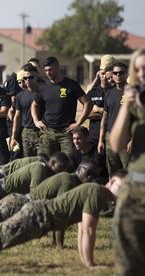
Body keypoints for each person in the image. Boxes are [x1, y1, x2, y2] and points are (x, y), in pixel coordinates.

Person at [0, 170, 126, 269]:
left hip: (39, 214)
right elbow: (89, 230)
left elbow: (84, 229)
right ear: (113, 181)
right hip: (39, 216)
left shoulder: (96, 193)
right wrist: (91, 264)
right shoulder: (98, 193)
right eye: (125, 188)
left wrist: (87, 262)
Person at [110, 48, 145, 275]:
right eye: (138, 69)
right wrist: (126, 105)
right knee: (128, 265)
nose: (142, 74)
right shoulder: (133, 103)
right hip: (135, 190)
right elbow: (116, 143)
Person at [31, 57, 92, 160]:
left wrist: (78, 123)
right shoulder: (43, 87)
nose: (48, 73)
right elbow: (34, 105)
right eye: (46, 70)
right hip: (48, 132)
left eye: (50, 69)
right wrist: (36, 121)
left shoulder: (71, 84)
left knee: (68, 163)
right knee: (47, 163)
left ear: (58, 68)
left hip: (66, 132)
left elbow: (87, 103)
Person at [98, 62, 130, 176]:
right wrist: (101, 140)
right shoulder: (109, 93)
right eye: (115, 73)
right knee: (113, 172)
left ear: (127, 74)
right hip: (110, 137)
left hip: (127, 138)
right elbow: (105, 118)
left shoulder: (134, 92)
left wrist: (133, 140)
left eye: (121, 73)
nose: (118, 75)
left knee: (129, 171)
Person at [11, 64, 42, 157]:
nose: (27, 80)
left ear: (37, 76)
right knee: (28, 162)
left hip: (41, 132)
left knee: (43, 161)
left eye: (31, 77)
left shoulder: (44, 92)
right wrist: (13, 136)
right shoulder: (20, 96)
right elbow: (17, 116)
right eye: (25, 78)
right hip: (26, 133)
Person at [86, 67, 113, 147]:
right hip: (94, 135)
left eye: (107, 74)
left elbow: (117, 113)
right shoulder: (92, 92)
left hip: (111, 134)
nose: (104, 76)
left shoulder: (114, 92)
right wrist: (107, 114)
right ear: (98, 75)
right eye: (102, 73)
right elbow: (86, 114)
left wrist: (97, 109)